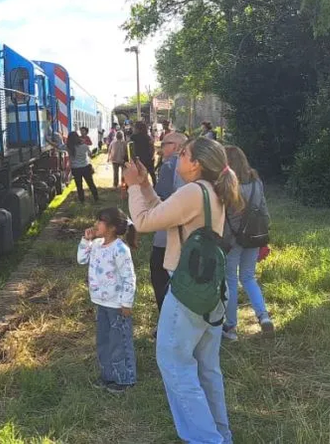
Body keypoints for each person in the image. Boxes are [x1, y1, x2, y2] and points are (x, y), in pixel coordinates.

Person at [124, 137, 242, 443]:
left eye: (183, 153)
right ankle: (220, 435)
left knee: (174, 363)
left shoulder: (192, 190)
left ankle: (207, 440)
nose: (178, 156)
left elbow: (143, 221)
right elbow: (164, 212)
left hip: (187, 291)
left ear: (196, 163)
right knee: (207, 369)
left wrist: (134, 187)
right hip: (209, 289)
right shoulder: (209, 190)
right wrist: (147, 186)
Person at [77, 207, 138, 394]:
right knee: (104, 340)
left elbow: (129, 277)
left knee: (119, 341)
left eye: (100, 221)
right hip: (101, 302)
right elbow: (81, 259)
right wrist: (85, 240)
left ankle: (125, 377)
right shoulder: (95, 244)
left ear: (111, 227)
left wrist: (127, 303)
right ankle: (108, 375)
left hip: (117, 305)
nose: (96, 224)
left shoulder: (120, 249)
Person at [221, 145, 273, 341]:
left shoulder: (227, 184)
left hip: (232, 239)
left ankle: (231, 326)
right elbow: (263, 208)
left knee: (231, 280)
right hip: (253, 235)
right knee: (249, 277)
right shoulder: (255, 180)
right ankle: (263, 316)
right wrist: (265, 232)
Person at [150, 131, 187, 313]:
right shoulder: (193, 165)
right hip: (187, 231)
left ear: (175, 146)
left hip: (167, 232)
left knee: (160, 276)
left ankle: (165, 318)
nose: (161, 147)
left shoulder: (170, 165)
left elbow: (160, 197)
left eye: (165, 143)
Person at [67, 131, 99, 203]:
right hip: (85, 167)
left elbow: (57, 146)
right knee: (91, 183)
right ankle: (96, 198)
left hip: (75, 169)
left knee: (79, 186)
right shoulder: (84, 146)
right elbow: (91, 155)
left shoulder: (69, 148)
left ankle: (82, 200)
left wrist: (48, 141)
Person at [129, 121, 156, 187]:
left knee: (138, 174)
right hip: (148, 158)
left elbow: (130, 148)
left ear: (137, 128)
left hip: (138, 159)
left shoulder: (133, 137)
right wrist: (152, 155)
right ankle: (155, 185)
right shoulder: (147, 137)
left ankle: (139, 186)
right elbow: (152, 147)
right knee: (152, 173)